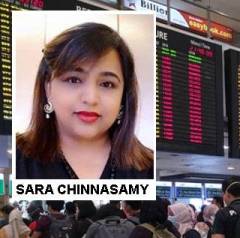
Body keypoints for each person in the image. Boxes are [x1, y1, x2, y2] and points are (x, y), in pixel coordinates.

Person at [16, 23, 153, 179]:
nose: (90, 98)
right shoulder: (19, 160)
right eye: (73, 80)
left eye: (107, 84)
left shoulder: (148, 168)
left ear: (123, 96)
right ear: (48, 89)